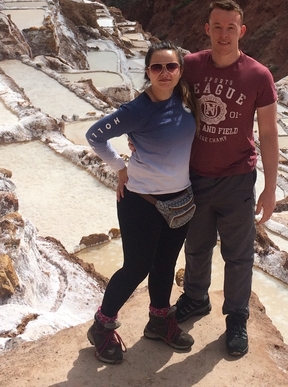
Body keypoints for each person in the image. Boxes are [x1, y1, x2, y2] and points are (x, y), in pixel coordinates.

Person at [172, 0, 279, 357]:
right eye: (217, 26)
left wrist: (270, 188)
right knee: (196, 245)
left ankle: (236, 317)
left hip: (237, 178)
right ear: (207, 29)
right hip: (195, 175)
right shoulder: (190, 66)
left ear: (241, 31)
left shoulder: (258, 76)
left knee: (238, 254)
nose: (223, 34)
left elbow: (268, 133)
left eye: (230, 27)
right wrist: (140, 140)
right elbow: (163, 103)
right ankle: (196, 298)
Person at [84, 41, 199, 365]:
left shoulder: (185, 100)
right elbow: (95, 136)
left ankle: (159, 321)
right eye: (157, 67)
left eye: (171, 66)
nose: (165, 73)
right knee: (136, 267)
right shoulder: (136, 110)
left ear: (180, 71)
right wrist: (120, 168)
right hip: (141, 201)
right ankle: (101, 325)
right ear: (148, 71)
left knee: (165, 264)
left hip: (180, 198)